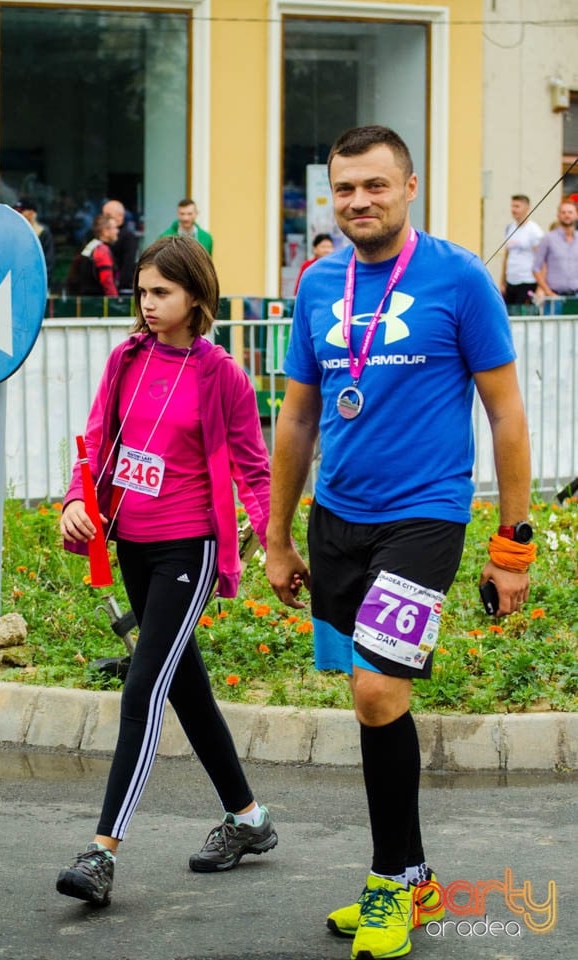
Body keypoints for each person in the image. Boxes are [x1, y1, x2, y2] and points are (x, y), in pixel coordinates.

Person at [265, 125, 534, 960]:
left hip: (427, 516)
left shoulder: (458, 278)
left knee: (380, 691)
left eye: (375, 186)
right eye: (345, 189)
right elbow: (300, 416)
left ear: (409, 188)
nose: (359, 202)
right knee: (367, 697)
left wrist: (513, 544)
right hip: (338, 516)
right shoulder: (317, 283)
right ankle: (412, 874)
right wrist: (276, 536)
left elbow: (507, 417)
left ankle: (390, 885)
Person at [56, 235, 277, 906]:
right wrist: (75, 497)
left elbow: (255, 470)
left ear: (196, 297)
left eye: (163, 293)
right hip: (133, 543)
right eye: (143, 292)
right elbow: (97, 442)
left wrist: (280, 547)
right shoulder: (125, 360)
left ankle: (101, 853)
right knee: (186, 687)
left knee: (143, 690)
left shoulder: (221, 375)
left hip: (191, 547)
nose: (149, 305)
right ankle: (249, 820)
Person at [499, 194, 543, 306]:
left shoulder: (534, 231)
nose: (513, 210)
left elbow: (541, 260)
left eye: (517, 206)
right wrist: (503, 282)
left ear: (527, 208)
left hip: (527, 281)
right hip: (511, 281)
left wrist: (540, 287)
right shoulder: (510, 228)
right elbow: (506, 256)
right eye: (512, 206)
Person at [532, 198, 578, 298]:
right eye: (563, 212)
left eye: (570, 212)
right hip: (554, 297)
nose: (567, 215)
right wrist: (548, 292)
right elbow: (536, 269)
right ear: (558, 215)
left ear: (576, 215)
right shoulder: (548, 239)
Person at [66, 213, 119, 297]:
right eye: (115, 228)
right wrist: (115, 301)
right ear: (105, 231)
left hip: (83, 298)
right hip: (98, 301)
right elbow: (107, 280)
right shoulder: (102, 250)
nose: (117, 231)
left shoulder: (90, 246)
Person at [14, 196, 55, 287]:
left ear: (31, 213)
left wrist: (40, 284)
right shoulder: (13, 233)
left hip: (35, 284)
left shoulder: (42, 233)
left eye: (20, 212)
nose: (17, 215)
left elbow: (48, 263)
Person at [102, 199, 140, 294]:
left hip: (119, 288)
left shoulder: (128, 237)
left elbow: (128, 265)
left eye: (108, 216)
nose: (105, 220)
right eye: (104, 216)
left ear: (120, 216)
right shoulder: (98, 240)